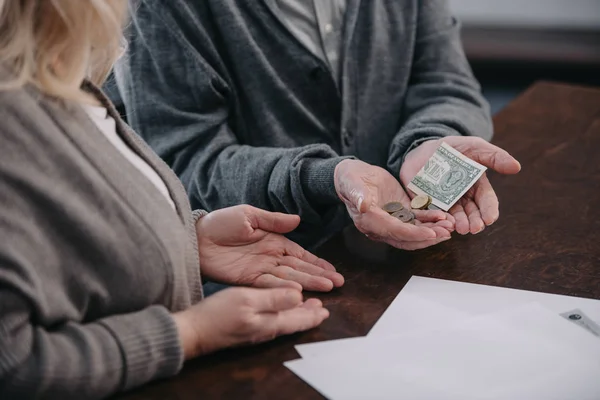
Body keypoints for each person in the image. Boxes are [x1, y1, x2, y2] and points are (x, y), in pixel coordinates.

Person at [0, 1, 345, 398]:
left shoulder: (61, 79)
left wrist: (188, 240)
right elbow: (14, 363)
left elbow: (67, 239)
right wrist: (190, 333)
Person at [113, 0, 521, 250]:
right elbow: (182, 160)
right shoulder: (158, 8)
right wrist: (325, 178)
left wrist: (429, 141)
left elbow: (446, 82)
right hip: (271, 269)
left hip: (409, 262)